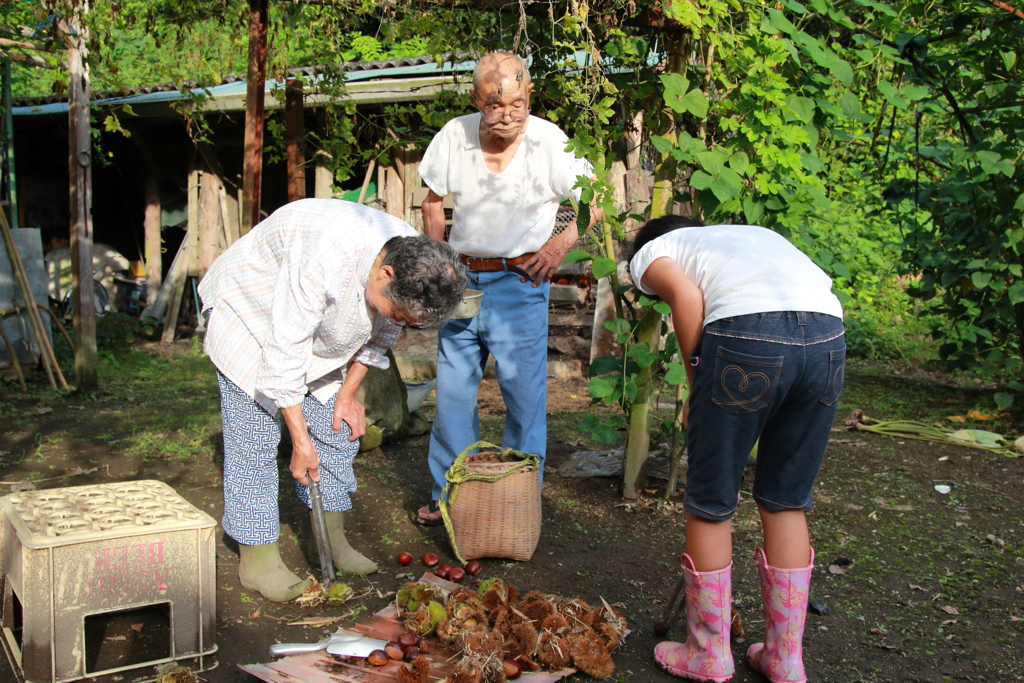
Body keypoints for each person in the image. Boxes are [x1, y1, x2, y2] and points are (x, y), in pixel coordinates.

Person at [199, 199, 467, 601]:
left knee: (337, 428)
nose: (399, 322)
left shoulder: (413, 259)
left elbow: (383, 333)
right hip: (254, 311)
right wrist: (300, 441)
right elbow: (285, 347)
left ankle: (331, 541)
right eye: (397, 312)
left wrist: (347, 394)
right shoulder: (326, 256)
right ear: (386, 273)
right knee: (253, 438)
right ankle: (257, 559)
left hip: (323, 323)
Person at [629, 216, 845, 683]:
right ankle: (784, 660)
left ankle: (708, 654)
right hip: (827, 337)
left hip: (748, 339)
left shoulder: (653, 250)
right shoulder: (751, 237)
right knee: (785, 498)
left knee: (710, 501)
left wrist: (695, 388)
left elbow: (687, 298)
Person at [415, 51, 601, 525]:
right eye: (495, 105)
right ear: (477, 98)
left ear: (529, 96)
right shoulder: (454, 136)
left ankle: (520, 500)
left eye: (517, 104)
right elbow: (432, 203)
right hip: (461, 281)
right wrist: (439, 264)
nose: (507, 115)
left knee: (523, 395)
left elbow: (597, 202)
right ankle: (451, 497)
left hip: (521, 282)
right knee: (454, 394)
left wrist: (557, 249)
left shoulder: (549, 142)